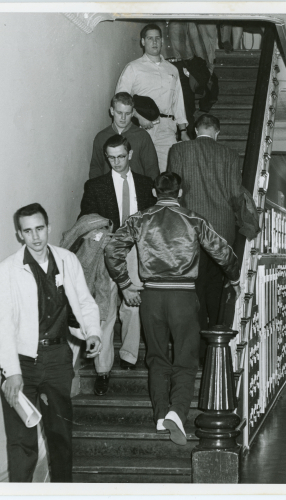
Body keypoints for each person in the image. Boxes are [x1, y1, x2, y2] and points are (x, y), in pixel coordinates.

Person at [104, 172, 240, 445]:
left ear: (155, 193)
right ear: (180, 193)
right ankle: (176, 412)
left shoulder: (139, 219)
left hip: (151, 297)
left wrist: (126, 284)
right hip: (184, 298)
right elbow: (223, 252)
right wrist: (234, 278)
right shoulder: (194, 219)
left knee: (156, 358)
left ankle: (159, 414)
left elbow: (112, 250)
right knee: (185, 359)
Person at [0, 203, 102, 482]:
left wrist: (92, 332)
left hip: (57, 359)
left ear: (48, 227)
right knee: (22, 444)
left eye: (40, 229)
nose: (36, 237)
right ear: (20, 234)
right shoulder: (8, 270)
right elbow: (3, 324)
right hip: (22, 364)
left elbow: (84, 301)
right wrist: (11, 372)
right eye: (28, 231)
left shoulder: (67, 260)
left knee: (60, 438)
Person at [79, 135, 156, 396]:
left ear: (130, 154)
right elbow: (85, 220)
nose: (116, 162)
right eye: (111, 158)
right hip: (107, 252)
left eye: (121, 156)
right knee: (106, 308)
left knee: (133, 306)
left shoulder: (146, 185)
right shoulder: (95, 186)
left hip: (136, 251)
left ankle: (129, 355)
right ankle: (102, 369)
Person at [167, 114, 242, 348]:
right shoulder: (230, 155)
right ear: (217, 132)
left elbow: (172, 190)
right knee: (217, 290)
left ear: (195, 130)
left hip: (191, 231)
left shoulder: (179, 150)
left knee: (194, 290)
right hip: (222, 233)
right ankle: (216, 345)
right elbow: (235, 195)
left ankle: (196, 349)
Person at [116, 23, 190, 171]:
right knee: (140, 174)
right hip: (140, 128)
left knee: (167, 175)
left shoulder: (172, 69)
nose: (154, 42)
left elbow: (178, 103)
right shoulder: (133, 68)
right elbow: (120, 99)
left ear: (162, 41)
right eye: (150, 38)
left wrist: (183, 131)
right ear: (143, 42)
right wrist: (139, 117)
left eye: (157, 38)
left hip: (167, 130)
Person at [89, 92, 159, 180]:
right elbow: (96, 168)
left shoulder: (142, 136)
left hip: (137, 189)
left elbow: (152, 169)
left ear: (133, 113)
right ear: (112, 111)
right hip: (109, 190)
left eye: (127, 113)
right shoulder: (101, 137)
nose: (123, 118)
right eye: (119, 113)